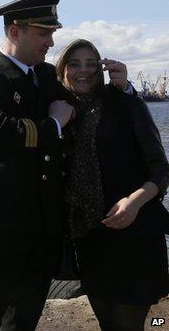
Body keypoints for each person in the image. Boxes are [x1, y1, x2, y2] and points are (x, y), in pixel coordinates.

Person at [0, 0, 77, 330]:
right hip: (0, 222)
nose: (51, 42)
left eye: (52, 33)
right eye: (44, 33)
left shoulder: (46, 77)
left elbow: (79, 109)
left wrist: (123, 89)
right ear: (15, 31)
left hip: (42, 220)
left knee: (26, 314)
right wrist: (54, 123)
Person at [56, 39, 169, 331]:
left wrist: (134, 202)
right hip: (91, 239)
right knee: (108, 324)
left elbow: (160, 170)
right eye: (74, 64)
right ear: (62, 70)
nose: (83, 71)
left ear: (102, 69)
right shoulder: (60, 113)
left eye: (91, 64)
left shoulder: (126, 105)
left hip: (136, 235)